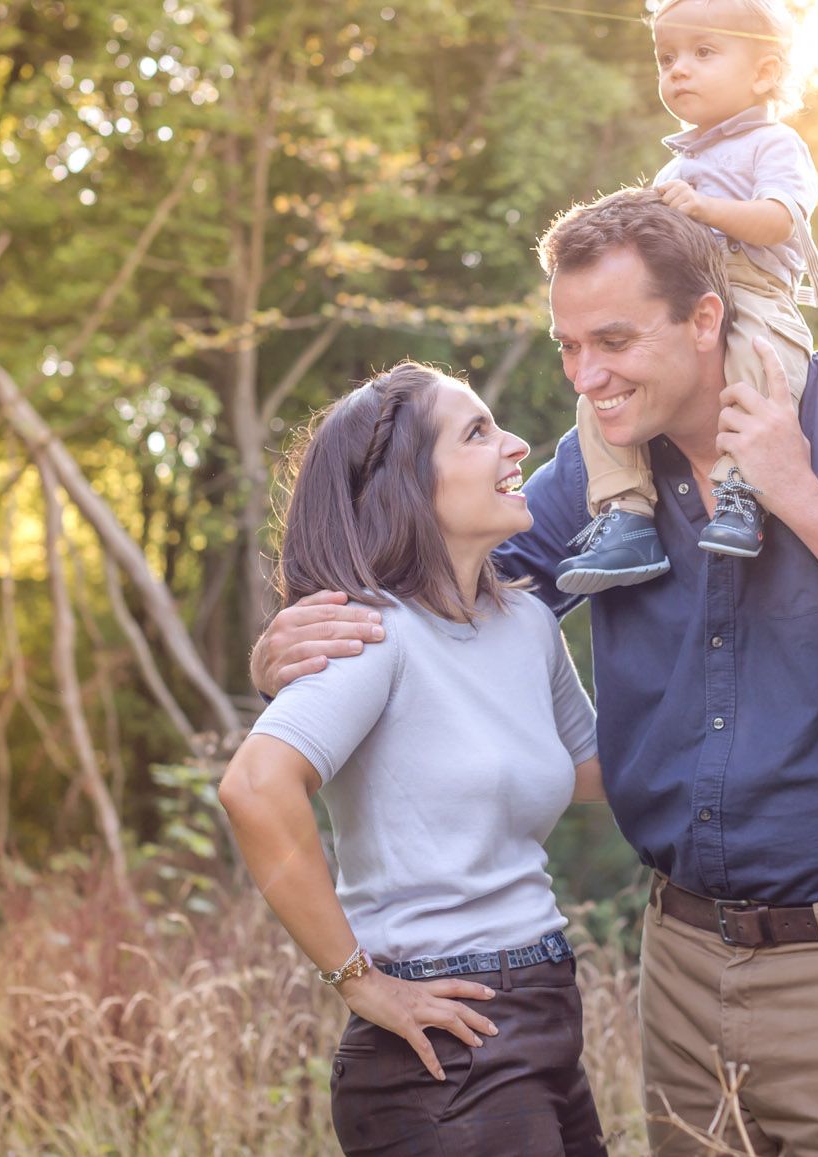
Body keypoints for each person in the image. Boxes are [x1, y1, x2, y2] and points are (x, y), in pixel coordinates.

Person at [253, 191, 818, 1156]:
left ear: (705, 318)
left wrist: (803, 498)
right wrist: (292, 642)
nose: (588, 378)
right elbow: (436, 585)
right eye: (568, 346)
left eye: (613, 341)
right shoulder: (597, 471)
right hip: (681, 973)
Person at [218, 361, 610, 1157]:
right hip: (443, 1041)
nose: (516, 445)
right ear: (409, 486)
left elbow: (592, 774)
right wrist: (359, 981)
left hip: (545, 1007)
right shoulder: (370, 632)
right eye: (477, 432)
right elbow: (256, 787)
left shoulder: (526, 621)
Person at [556, 0, 818, 595]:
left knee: (761, 363)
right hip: (686, 298)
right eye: (666, 57)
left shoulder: (774, 143)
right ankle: (624, 512)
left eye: (703, 53)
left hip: (753, 286)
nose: (679, 70)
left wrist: (704, 208)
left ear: (764, 73)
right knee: (600, 389)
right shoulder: (675, 165)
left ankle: (742, 490)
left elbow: (781, 219)